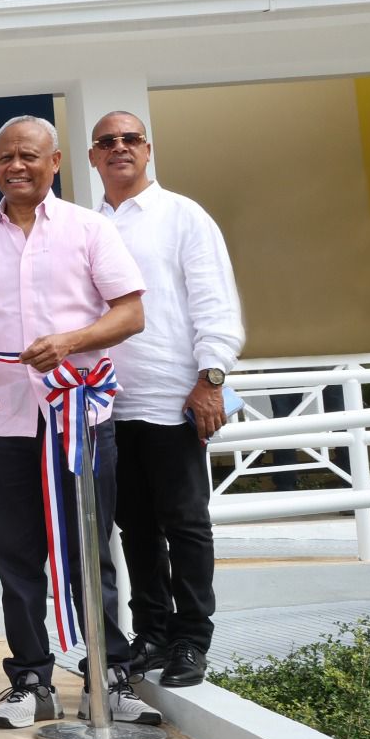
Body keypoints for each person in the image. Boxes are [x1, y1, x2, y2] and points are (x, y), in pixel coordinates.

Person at [0, 115, 157, 729]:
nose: (17, 165)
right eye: (5, 156)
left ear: (55, 162)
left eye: (29, 156)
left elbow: (131, 313)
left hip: (80, 415)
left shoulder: (90, 230)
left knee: (91, 543)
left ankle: (106, 676)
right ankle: (31, 679)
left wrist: (72, 341)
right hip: (7, 419)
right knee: (14, 553)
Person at [89, 112, 244, 688]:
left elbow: (214, 301)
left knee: (185, 523)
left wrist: (212, 377)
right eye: (108, 142)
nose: (119, 149)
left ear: (147, 150)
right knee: (133, 527)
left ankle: (189, 640)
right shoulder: (89, 224)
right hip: (109, 403)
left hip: (175, 398)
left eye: (130, 140)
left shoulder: (183, 216)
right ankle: (150, 632)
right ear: (92, 157)